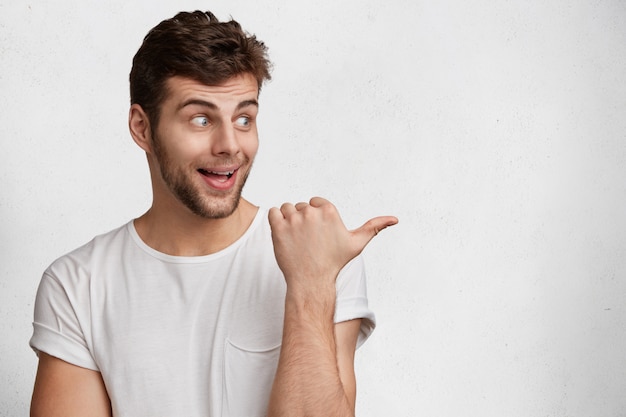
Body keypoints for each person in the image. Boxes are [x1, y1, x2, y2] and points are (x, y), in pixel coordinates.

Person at [29, 10, 397, 417]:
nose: (229, 145)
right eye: (201, 118)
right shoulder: (78, 285)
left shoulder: (319, 255)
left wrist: (310, 286)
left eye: (244, 118)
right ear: (142, 127)